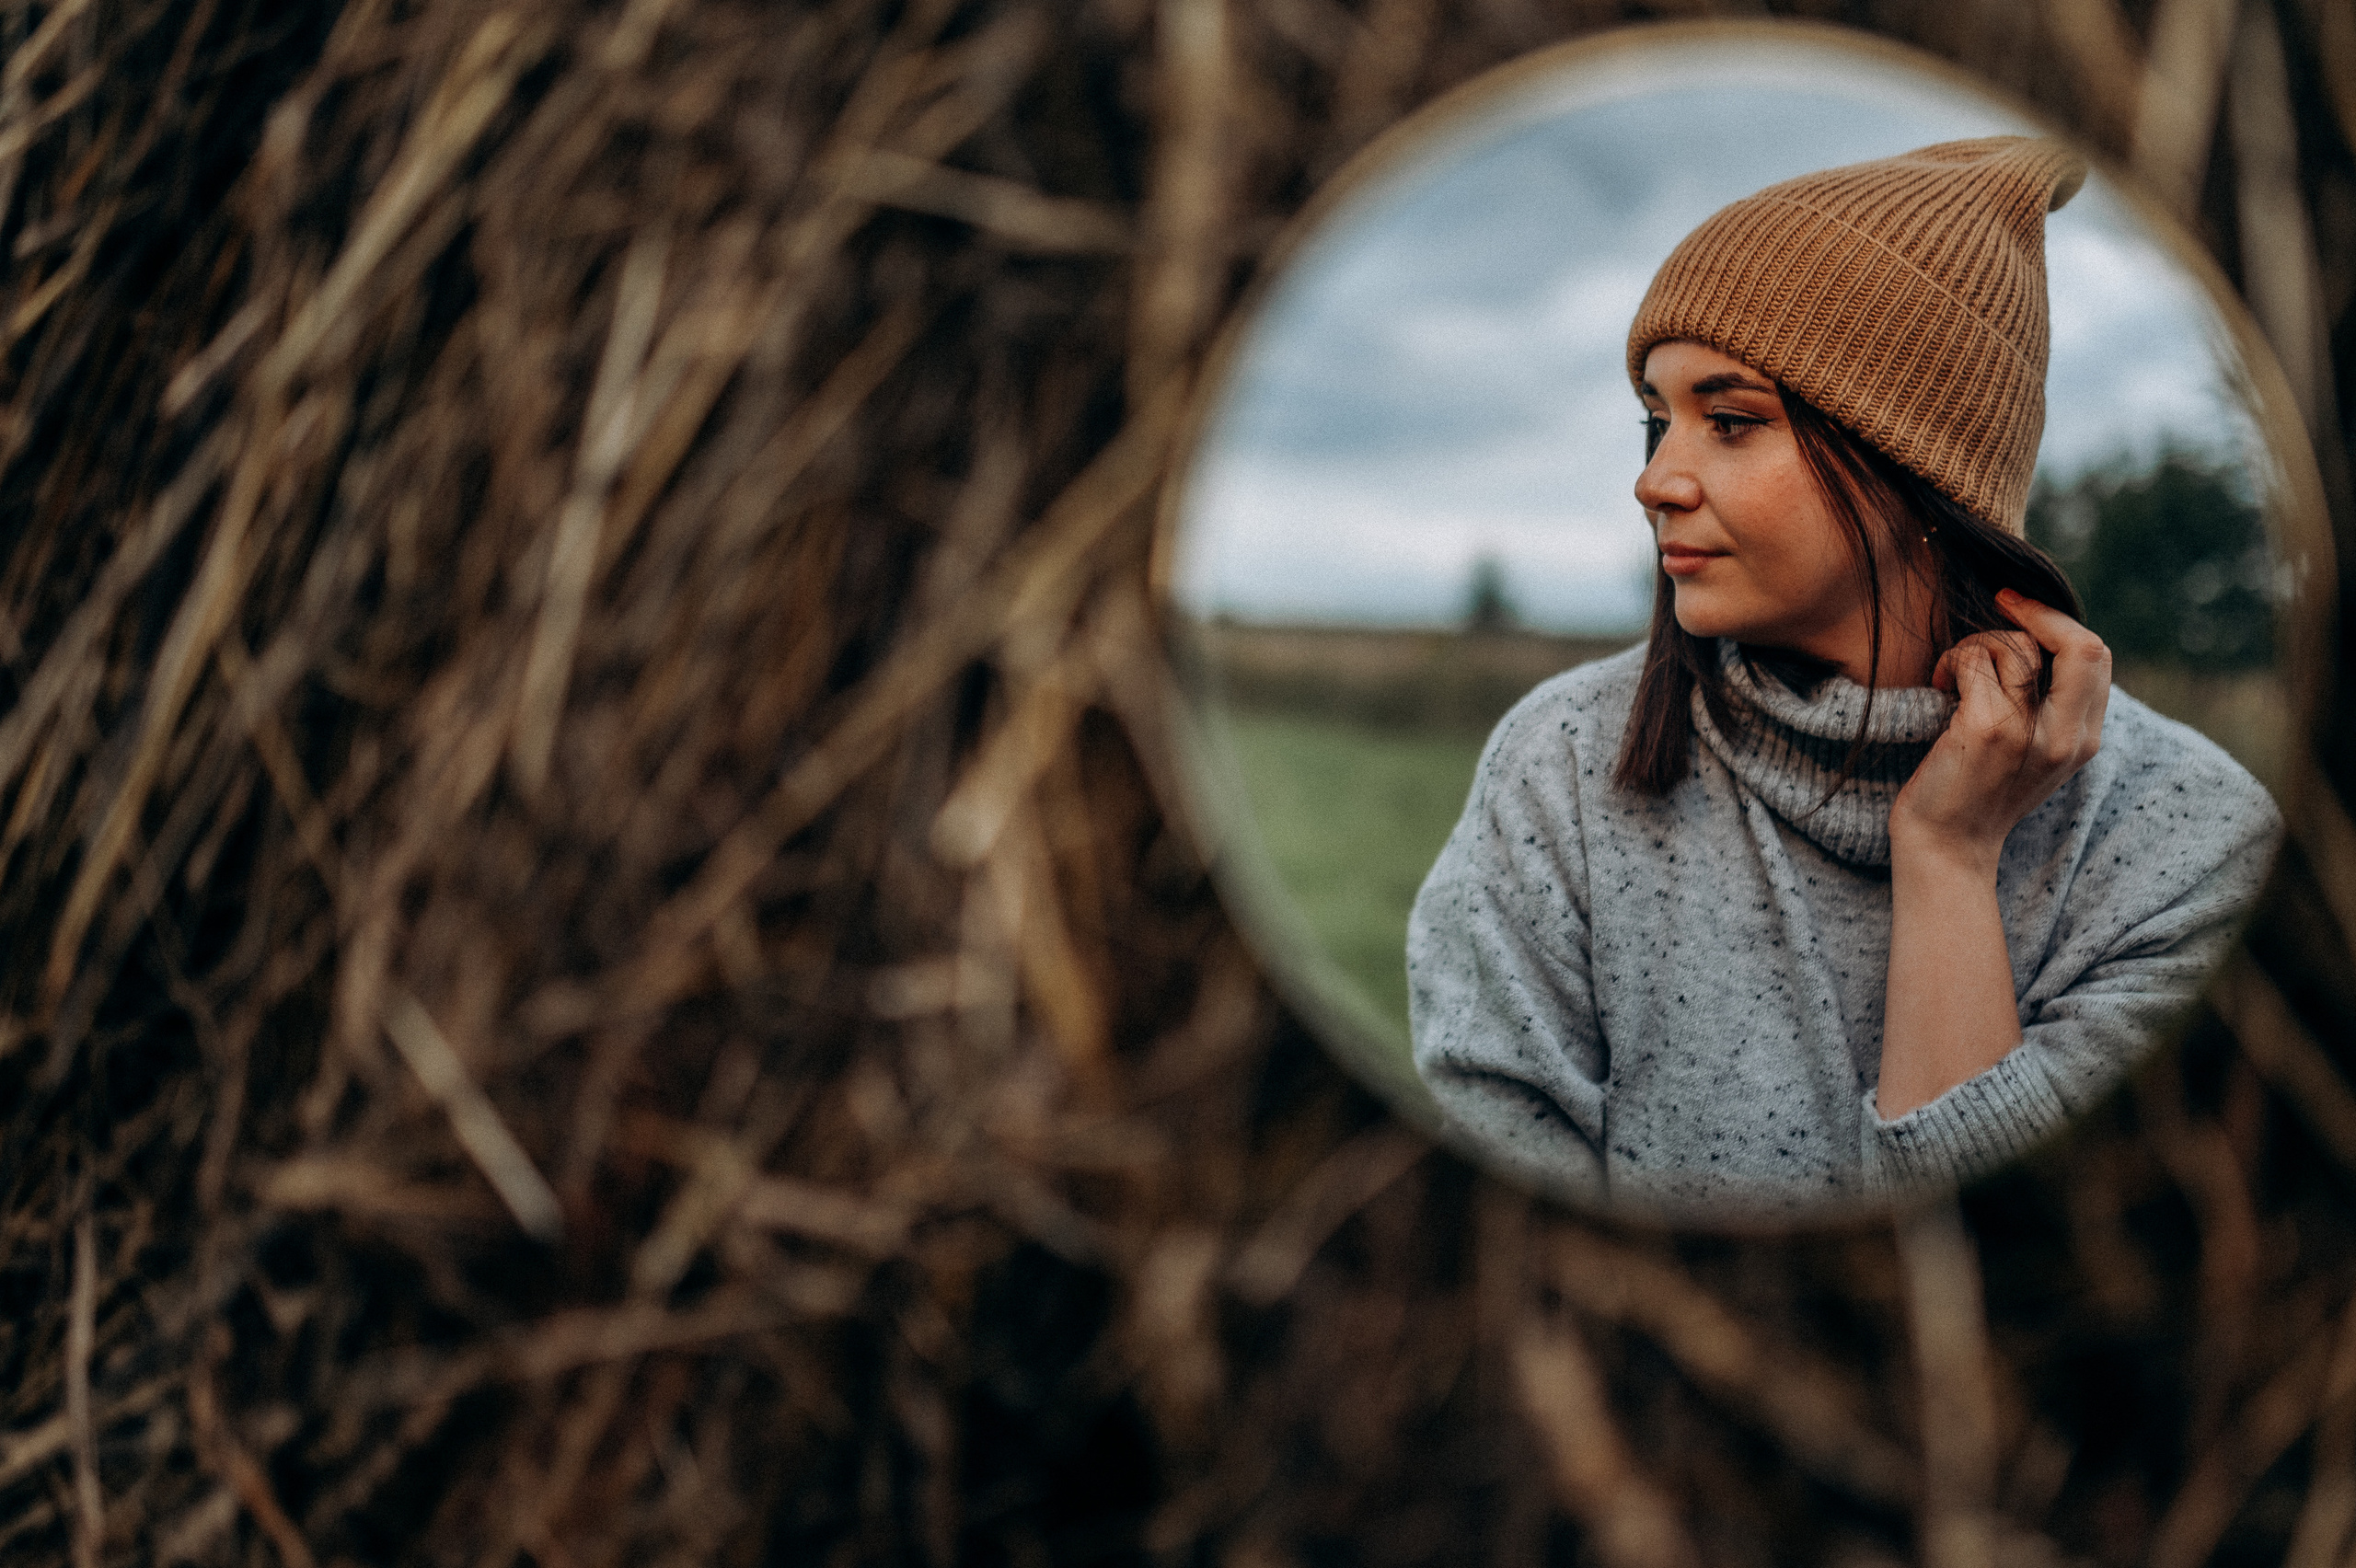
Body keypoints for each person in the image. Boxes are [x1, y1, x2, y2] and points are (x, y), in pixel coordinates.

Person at [1404, 137, 2282, 1218]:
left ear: (1914, 466)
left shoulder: (2187, 842)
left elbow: (2016, 1278)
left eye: (1729, 423)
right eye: (1655, 419)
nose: (1653, 480)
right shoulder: (1563, 766)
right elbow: (1497, 1235)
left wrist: (1952, 857)